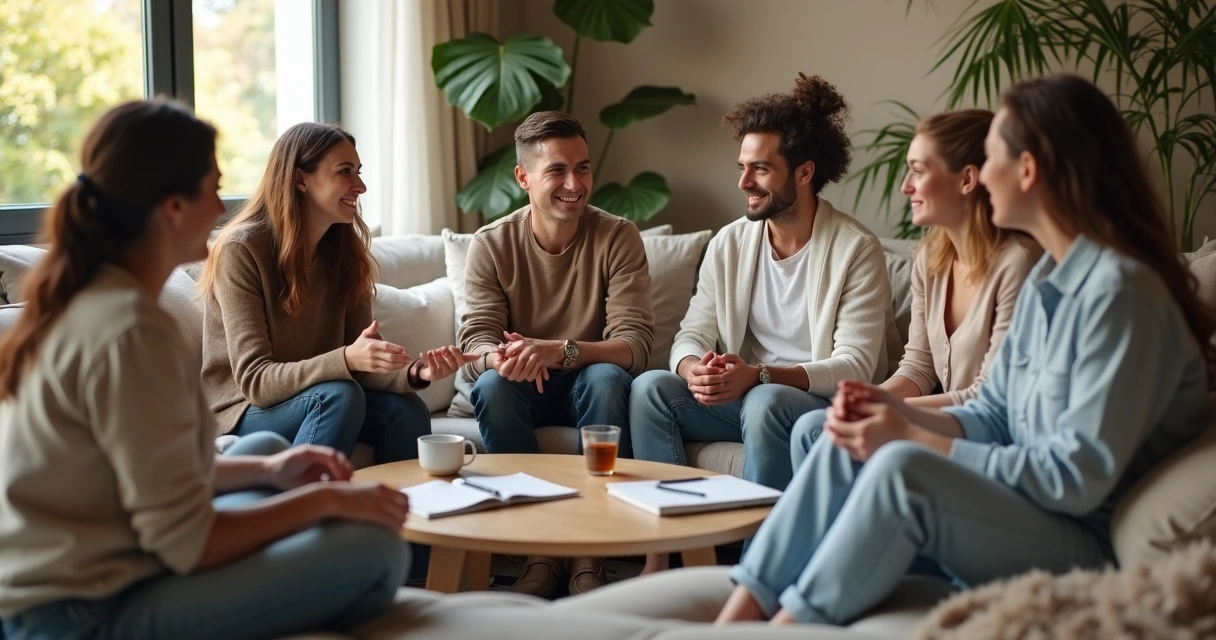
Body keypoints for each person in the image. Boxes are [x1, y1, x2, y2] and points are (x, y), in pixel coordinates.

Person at [715, 74, 1214, 627]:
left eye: (992, 155)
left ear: (1027, 171)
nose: (982, 174)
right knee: (842, 438)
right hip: (1023, 509)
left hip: (1083, 540)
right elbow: (996, 411)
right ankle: (738, 614)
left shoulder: (1121, 296)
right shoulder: (1055, 275)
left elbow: (1073, 479)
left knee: (904, 468)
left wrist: (912, 434)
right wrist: (892, 411)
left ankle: (787, 630)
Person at [0, 99, 411, 639]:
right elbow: (186, 542)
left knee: (266, 454)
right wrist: (327, 500)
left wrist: (269, 474)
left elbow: (142, 478)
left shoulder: (97, 300)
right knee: (376, 551)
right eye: (212, 187)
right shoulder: (129, 331)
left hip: (87, 576)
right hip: (83, 613)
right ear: (173, 206)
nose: (221, 205)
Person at [630, 73, 897, 500]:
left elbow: (856, 365)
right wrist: (692, 370)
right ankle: (663, 554)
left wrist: (759, 376)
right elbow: (693, 333)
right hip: (748, 397)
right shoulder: (730, 242)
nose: (744, 182)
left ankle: (760, 555)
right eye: (742, 167)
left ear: (804, 172)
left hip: (814, 404)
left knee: (766, 399)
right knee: (649, 390)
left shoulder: (856, 250)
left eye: (761, 168)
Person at [458, 110, 655, 597]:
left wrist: (559, 351)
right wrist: (500, 358)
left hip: (587, 379)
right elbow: (476, 339)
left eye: (583, 167)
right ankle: (539, 548)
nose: (575, 183)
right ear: (524, 177)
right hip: (521, 381)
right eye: (557, 170)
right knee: (491, 385)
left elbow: (634, 347)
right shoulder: (490, 243)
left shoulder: (618, 237)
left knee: (608, 378)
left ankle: (590, 550)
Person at [200, 122, 473, 464]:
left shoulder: (345, 251)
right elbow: (255, 381)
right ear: (301, 179)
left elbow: (362, 363)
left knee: (405, 408)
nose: (360, 186)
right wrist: (345, 359)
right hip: (243, 411)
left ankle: (405, 513)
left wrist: (415, 373)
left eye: (358, 172)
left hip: (320, 395)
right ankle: (309, 511)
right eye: (345, 172)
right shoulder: (241, 250)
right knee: (338, 395)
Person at [789, 109, 1042, 450]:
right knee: (814, 426)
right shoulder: (930, 259)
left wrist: (889, 409)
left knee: (824, 431)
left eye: (918, 171)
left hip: (992, 433)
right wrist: (868, 399)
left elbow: (990, 392)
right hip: (942, 417)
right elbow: (919, 367)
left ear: (967, 180)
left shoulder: (1017, 264)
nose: (906, 187)